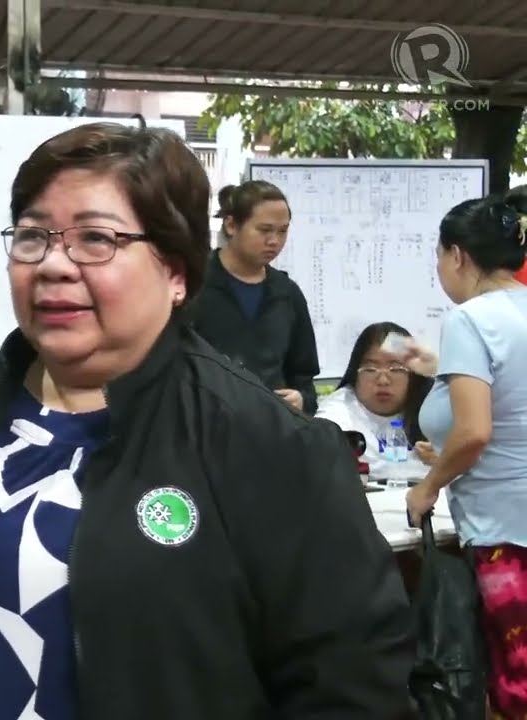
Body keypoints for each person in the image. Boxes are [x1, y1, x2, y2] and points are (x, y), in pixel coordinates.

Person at [0, 122, 413, 720]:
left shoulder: (265, 443)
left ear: (176, 272)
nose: (53, 263)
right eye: (32, 237)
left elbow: (354, 683)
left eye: (96, 239)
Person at [401, 192, 527, 717]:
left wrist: (428, 487)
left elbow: (475, 431)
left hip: (503, 526)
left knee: (515, 680)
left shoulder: (471, 320)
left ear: (457, 255)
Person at [188, 181, 320, 413]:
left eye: (283, 231)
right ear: (231, 225)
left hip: (271, 430)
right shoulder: (193, 285)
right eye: (265, 230)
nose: (275, 241)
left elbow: (304, 377)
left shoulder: (287, 293)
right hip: (205, 430)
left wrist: (302, 399)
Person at [316, 322, 433, 475]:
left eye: (396, 369)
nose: (383, 380)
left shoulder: (432, 408)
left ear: (413, 375)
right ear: (355, 373)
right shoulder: (335, 417)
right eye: (370, 369)